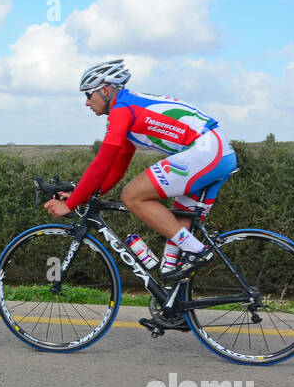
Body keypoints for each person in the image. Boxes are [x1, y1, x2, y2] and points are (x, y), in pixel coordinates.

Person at [43, 58, 237, 278]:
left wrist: (71, 203)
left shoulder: (122, 109)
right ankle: (174, 308)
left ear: (105, 90)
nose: (87, 103)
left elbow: (102, 162)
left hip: (207, 151)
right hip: (216, 152)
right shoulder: (128, 108)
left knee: (133, 195)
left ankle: (199, 252)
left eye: (88, 95)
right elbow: (116, 168)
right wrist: (85, 196)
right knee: (174, 254)